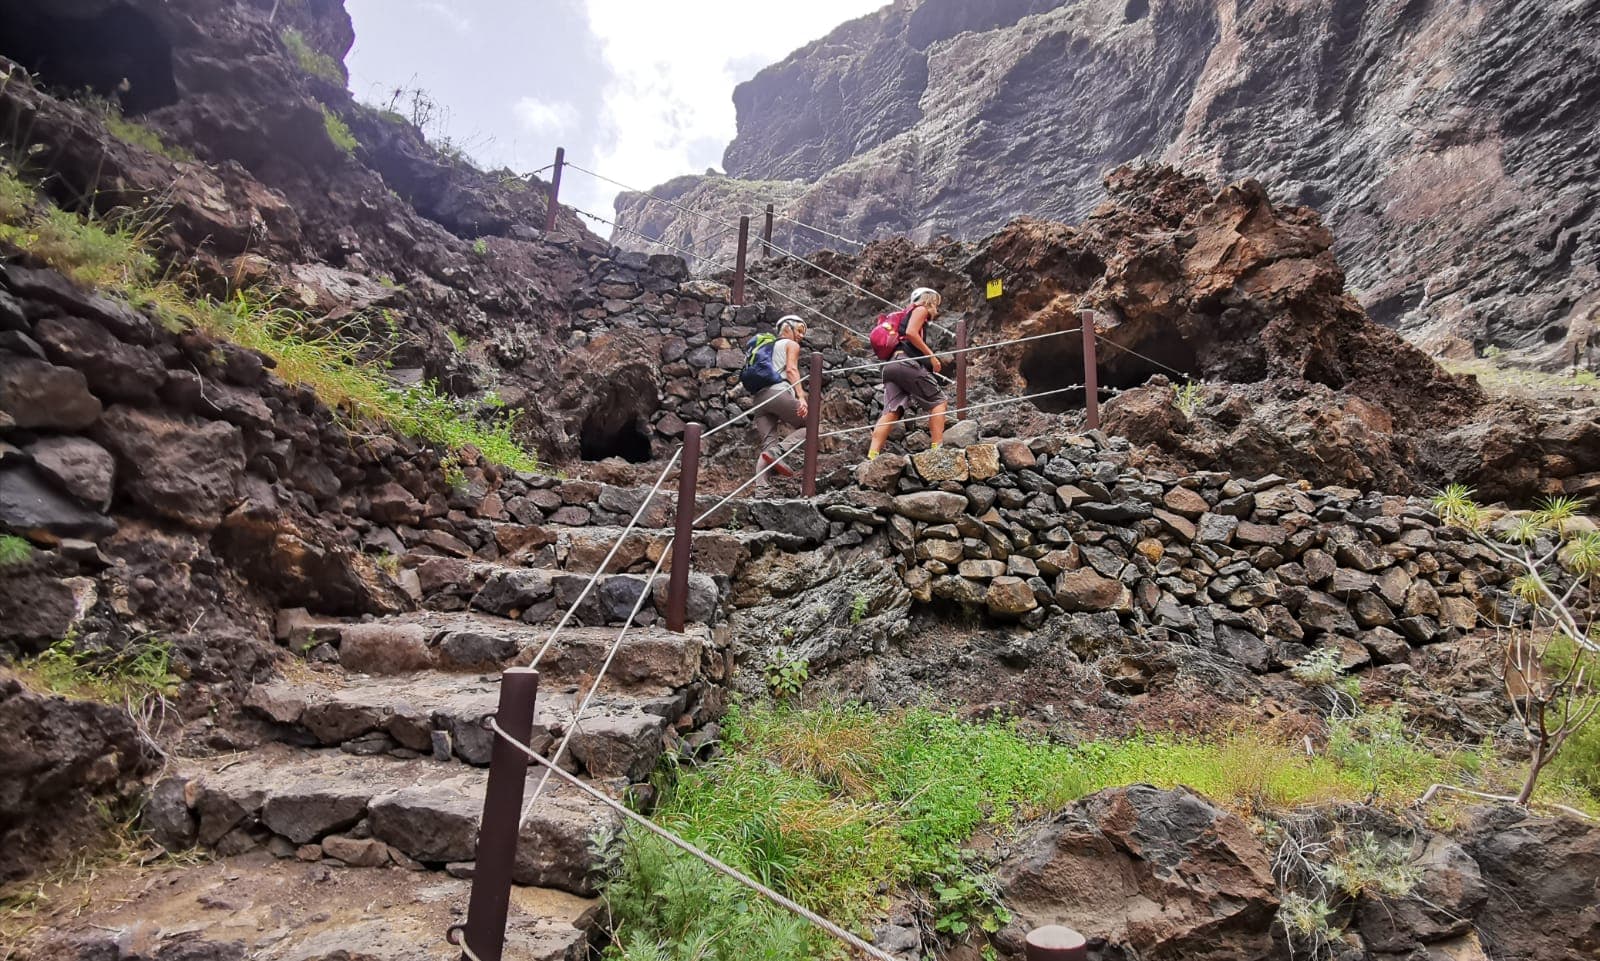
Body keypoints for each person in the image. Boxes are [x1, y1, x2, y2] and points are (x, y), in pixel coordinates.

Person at [867, 287, 947, 459]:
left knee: (892, 411)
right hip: (906, 363)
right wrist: (932, 357)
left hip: (890, 366)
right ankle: (937, 451)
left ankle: (872, 456)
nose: (936, 310)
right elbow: (911, 332)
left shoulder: (903, 315)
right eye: (936, 305)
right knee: (938, 402)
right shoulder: (920, 309)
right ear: (929, 300)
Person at [749, 315, 809, 477]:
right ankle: (779, 452)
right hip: (778, 393)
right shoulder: (791, 345)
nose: (802, 336)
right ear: (787, 328)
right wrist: (801, 397)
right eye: (799, 330)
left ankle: (761, 491)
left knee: (768, 447)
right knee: (811, 426)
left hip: (759, 399)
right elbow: (791, 370)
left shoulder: (764, 347)